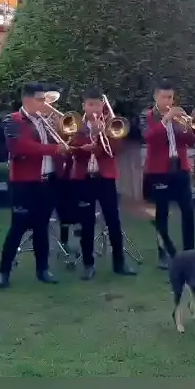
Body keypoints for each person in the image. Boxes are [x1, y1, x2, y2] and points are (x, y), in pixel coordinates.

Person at [0, 82, 70, 288]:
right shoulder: (12, 120)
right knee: (18, 227)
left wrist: (63, 132)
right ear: (26, 100)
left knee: (41, 226)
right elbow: (21, 147)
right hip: (24, 183)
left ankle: (42, 269)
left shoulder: (46, 120)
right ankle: (3, 271)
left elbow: (65, 141)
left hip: (48, 180)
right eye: (40, 100)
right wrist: (55, 149)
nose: (45, 104)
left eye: (45, 99)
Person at [69, 89, 137, 279]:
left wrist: (100, 135)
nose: (94, 109)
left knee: (113, 221)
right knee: (87, 223)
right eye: (90, 105)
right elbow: (72, 148)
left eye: (97, 104)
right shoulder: (76, 124)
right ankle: (88, 265)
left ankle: (119, 263)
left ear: (103, 105)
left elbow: (115, 149)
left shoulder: (111, 123)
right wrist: (89, 140)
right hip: (84, 178)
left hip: (105, 178)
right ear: (84, 106)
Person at [141, 80, 195, 269]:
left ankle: (190, 252)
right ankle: (163, 254)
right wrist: (165, 120)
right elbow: (148, 137)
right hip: (158, 171)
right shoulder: (147, 116)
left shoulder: (178, 117)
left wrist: (186, 127)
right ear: (155, 97)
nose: (168, 101)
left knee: (188, 211)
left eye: (171, 97)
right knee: (161, 213)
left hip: (180, 169)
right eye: (164, 97)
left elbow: (190, 141)